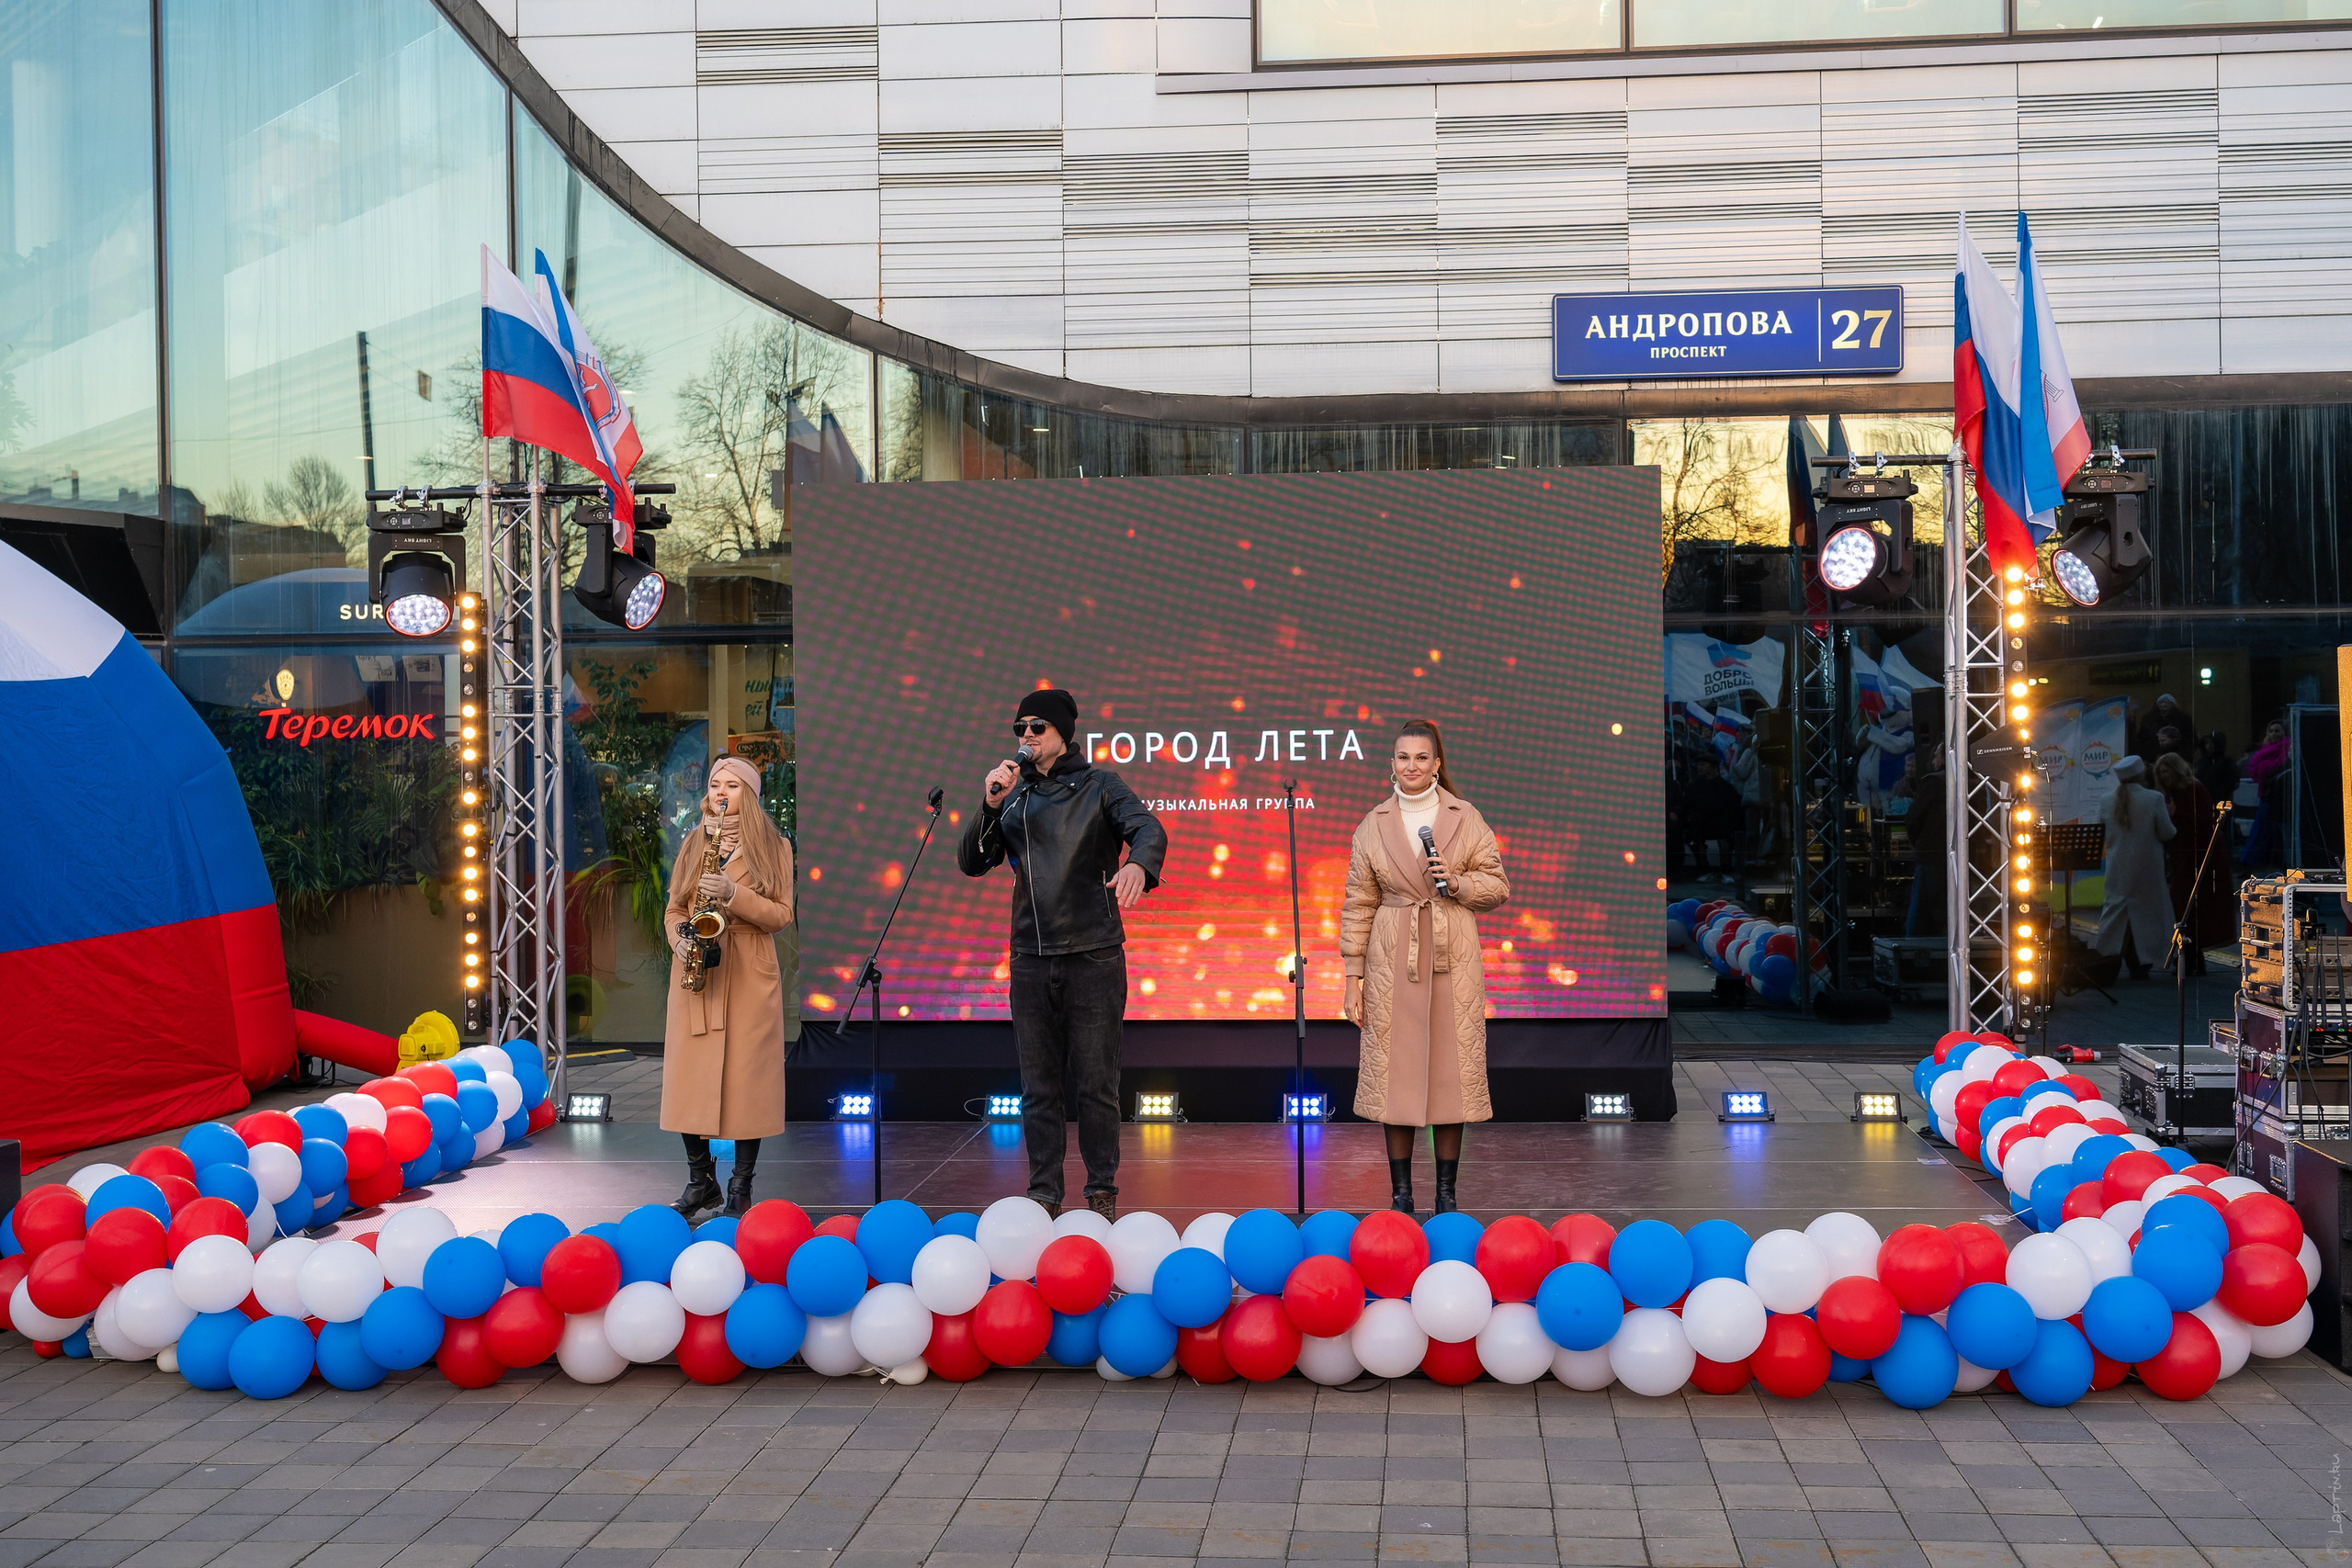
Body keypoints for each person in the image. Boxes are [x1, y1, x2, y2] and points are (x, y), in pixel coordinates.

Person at [959, 688, 1167, 1221]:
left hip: (1093, 954)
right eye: (1020, 729)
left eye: (1037, 728)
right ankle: (1043, 1194)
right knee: (1039, 1087)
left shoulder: (1101, 785)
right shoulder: (1016, 797)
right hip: (1031, 956)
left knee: (1096, 1084)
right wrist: (989, 803)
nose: (1026, 737)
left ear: (1062, 734)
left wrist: (1139, 866)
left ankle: (1101, 1194)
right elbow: (973, 861)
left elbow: (1148, 828)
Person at [1340, 720, 1510, 1216]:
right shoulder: (1372, 823)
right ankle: (1400, 1197)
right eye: (1401, 757)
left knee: (1449, 1077)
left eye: (1420, 758)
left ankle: (1446, 1196)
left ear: (1437, 764)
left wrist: (1455, 884)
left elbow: (1497, 885)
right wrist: (1353, 977)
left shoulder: (1466, 816)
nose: (1410, 766)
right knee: (1395, 1077)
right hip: (1392, 958)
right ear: (1390, 763)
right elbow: (1358, 903)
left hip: (1451, 956)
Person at [661, 754, 795, 1218]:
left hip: (749, 969)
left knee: (747, 1081)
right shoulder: (694, 841)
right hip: (699, 966)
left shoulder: (775, 846)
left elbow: (781, 915)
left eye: (732, 785)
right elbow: (675, 907)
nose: (720, 792)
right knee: (689, 1078)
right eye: (715, 784)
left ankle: (740, 1188)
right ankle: (701, 1184)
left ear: (750, 795)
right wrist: (679, 939)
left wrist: (735, 895)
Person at [2094, 755, 2177, 980]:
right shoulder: (2154, 798)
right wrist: (2171, 814)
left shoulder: (2105, 800)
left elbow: (2101, 834)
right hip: (2148, 867)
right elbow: (2167, 832)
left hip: (2117, 867)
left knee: (2115, 913)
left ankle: (2105, 955)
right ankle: (2145, 960)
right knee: (2149, 914)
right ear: (2141, 774)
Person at [2154, 751, 2229, 975]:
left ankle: (2192, 958)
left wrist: (2173, 816)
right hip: (2186, 853)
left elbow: (2202, 821)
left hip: (2199, 853)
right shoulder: (2177, 790)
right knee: (2186, 904)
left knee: (2190, 903)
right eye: (2161, 772)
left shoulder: (2192, 788)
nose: (2164, 776)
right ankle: (2191, 957)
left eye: (2167, 770)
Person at [1669, 754, 1743, 883]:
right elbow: (1686, 805)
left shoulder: (1725, 787)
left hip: (1721, 823)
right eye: (1699, 765)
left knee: (1727, 838)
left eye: (1703, 765)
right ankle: (1703, 869)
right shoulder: (1693, 786)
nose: (1700, 768)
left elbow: (1733, 807)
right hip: (1700, 823)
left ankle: (1725, 869)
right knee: (1692, 837)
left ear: (1713, 767)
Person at [2241, 719, 2291, 870]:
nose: (2274, 734)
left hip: (2276, 796)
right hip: (2266, 795)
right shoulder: (2266, 750)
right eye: (2272, 731)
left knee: (2266, 831)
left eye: (2277, 731)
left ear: (2284, 733)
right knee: (2262, 830)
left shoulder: (2285, 749)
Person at [2134, 694, 2192, 761]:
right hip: (2154, 757)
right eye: (2161, 703)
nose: (2163, 705)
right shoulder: (2149, 719)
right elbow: (2142, 739)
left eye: (2167, 702)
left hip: (2179, 756)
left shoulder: (2183, 719)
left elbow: (2190, 739)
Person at [2194, 729, 2237, 808]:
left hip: (2221, 804)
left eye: (2211, 743)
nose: (2208, 746)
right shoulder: (2201, 762)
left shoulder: (2227, 763)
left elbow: (2232, 785)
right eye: (2207, 744)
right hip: (2202, 802)